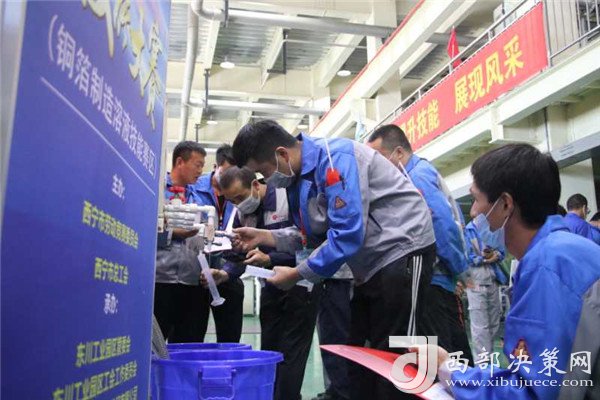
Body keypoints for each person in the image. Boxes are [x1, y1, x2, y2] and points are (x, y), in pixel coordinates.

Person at [231, 120, 436, 399]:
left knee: (399, 349)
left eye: (263, 171)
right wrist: (266, 237)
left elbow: (347, 234)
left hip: (403, 250)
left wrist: (297, 274)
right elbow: (311, 237)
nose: (266, 180)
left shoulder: (336, 159)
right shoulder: (299, 181)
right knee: (361, 354)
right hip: (369, 266)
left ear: (281, 154)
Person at [421, 144, 600, 400]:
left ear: (505, 204)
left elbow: (533, 391)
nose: (473, 212)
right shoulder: (568, 251)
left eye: (476, 199)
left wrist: (449, 370)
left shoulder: (545, 267)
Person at [204, 166, 320, 400]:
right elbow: (239, 257)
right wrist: (226, 273)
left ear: (256, 185)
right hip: (271, 285)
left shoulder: (287, 198)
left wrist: (271, 258)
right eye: (232, 201)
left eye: (240, 197)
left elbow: (309, 243)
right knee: (270, 351)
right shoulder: (241, 213)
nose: (238, 204)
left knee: (291, 353)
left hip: (300, 284)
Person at [367, 124, 473, 364]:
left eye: (380, 157)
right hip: (435, 278)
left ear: (399, 153)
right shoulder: (417, 173)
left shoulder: (415, 177)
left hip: (432, 280)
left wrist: (458, 270)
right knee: (451, 353)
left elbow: (442, 225)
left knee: (438, 355)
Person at [154, 141, 207, 342]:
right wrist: (173, 233)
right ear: (179, 162)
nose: (200, 171)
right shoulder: (157, 193)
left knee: (188, 342)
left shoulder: (200, 200)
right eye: (197, 165)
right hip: (160, 280)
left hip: (191, 283)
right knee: (155, 344)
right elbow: (142, 231)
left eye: (202, 166)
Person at [193, 144, 243, 342]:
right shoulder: (194, 187)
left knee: (230, 337)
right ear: (216, 167)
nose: (231, 178)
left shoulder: (240, 194)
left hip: (229, 268)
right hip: (197, 271)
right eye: (227, 172)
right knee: (192, 334)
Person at [463, 219, 507, 358]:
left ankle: (489, 356)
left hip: (493, 280)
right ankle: (482, 362)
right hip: (476, 281)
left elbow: (502, 252)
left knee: (494, 323)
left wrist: (495, 255)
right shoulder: (468, 231)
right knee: (479, 325)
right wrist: (484, 258)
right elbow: (467, 256)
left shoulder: (494, 229)